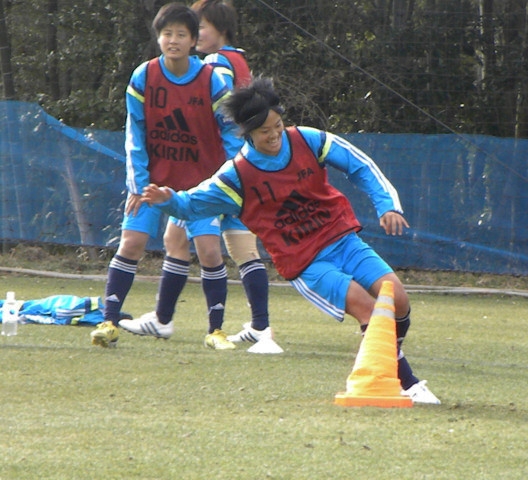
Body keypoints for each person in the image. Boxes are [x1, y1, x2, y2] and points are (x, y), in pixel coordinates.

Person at [140, 77, 441, 404]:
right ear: (248, 133)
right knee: (369, 310)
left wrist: (386, 206)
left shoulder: (309, 140)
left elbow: (361, 167)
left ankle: (388, 356)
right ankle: (409, 384)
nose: (274, 136)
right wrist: (166, 199)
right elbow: (192, 204)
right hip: (307, 263)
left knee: (397, 299)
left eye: (278, 126)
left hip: (343, 241)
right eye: (264, 131)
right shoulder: (237, 176)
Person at [91, 3, 242, 350]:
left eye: (181, 34)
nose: (172, 40)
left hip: (200, 186)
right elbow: (135, 133)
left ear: (193, 41)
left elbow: (232, 135)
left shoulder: (212, 79)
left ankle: (215, 331)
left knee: (208, 251)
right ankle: (109, 323)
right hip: (152, 182)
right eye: (167, 33)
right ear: (158, 37)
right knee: (132, 243)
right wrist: (137, 184)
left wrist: (227, 182)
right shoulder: (144, 76)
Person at [189, 0, 276, 349]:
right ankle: (260, 327)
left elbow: (223, 112)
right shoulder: (239, 58)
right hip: (246, 164)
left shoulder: (215, 63)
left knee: (183, 241)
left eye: (201, 28)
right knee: (242, 247)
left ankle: (163, 318)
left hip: (226, 167)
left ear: (220, 29)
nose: (196, 35)